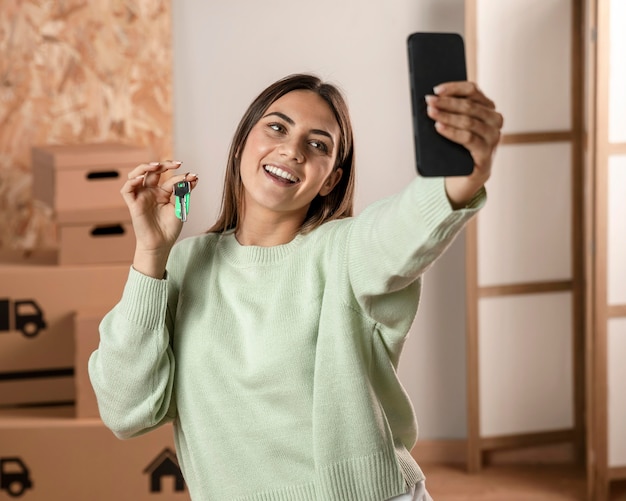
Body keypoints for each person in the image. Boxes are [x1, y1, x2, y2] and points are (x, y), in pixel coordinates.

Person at [88, 73, 503, 501]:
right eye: (277, 127)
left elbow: (401, 227)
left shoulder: (343, 251)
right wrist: (150, 254)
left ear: (330, 180)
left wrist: (464, 175)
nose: (292, 149)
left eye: (318, 144)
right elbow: (125, 410)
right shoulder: (181, 265)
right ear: (241, 145)